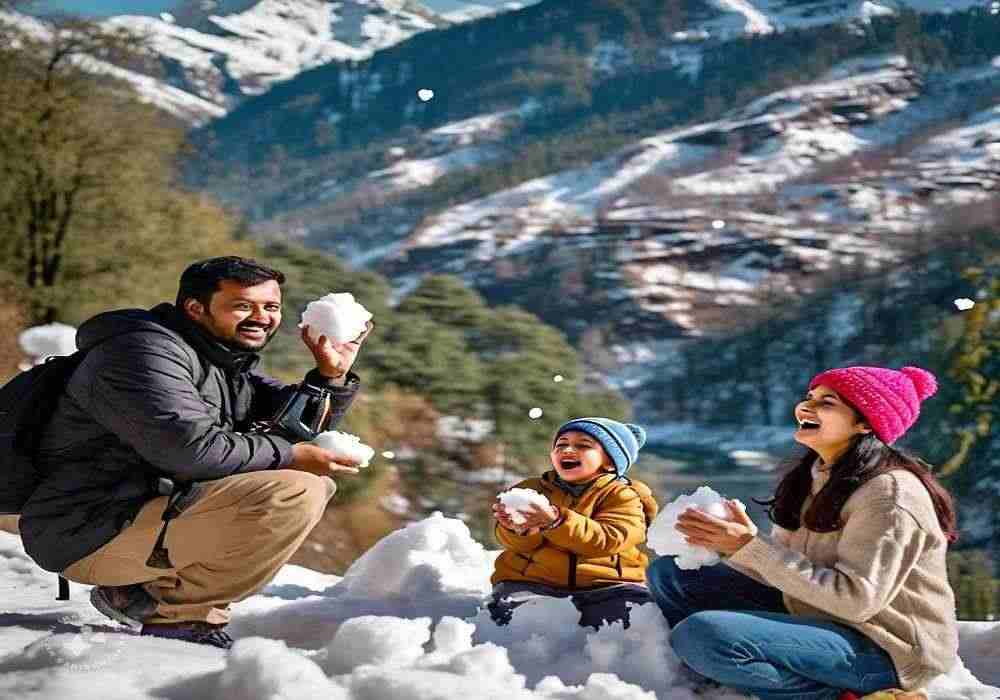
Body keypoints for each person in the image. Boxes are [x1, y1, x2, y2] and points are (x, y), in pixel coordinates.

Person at [18, 256, 373, 649]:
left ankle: (142, 591)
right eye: (243, 305)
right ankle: (176, 614)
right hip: (86, 529)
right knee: (294, 491)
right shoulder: (141, 355)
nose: (261, 317)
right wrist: (293, 455)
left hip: (134, 516)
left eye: (270, 307)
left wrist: (330, 377)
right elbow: (191, 452)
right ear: (195, 308)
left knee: (297, 479)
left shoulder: (218, 361)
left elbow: (286, 423)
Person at [646, 366, 959, 700]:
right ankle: (729, 680)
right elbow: (787, 570)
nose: (805, 407)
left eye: (827, 402)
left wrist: (750, 546)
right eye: (810, 397)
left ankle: (843, 696)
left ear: (866, 423)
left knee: (701, 636)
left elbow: (855, 603)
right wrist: (731, 544)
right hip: (817, 614)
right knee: (673, 574)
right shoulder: (813, 475)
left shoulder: (889, 496)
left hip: (886, 647)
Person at [489, 417, 659, 630]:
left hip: (607, 586)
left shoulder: (623, 496)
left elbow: (610, 538)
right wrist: (517, 530)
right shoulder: (531, 489)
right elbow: (514, 544)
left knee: (635, 621)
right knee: (512, 619)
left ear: (610, 462)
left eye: (583, 445)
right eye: (561, 444)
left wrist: (557, 522)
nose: (568, 449)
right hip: (533, 582)